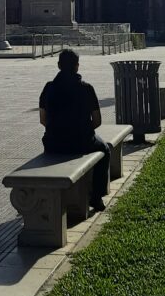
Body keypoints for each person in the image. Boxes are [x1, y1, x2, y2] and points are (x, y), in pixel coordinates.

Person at [38, 49, 111, 212]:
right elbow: (97, 121)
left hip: (53, 143)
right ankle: (97, 197)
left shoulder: (48, 88)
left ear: (58, 66)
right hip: (81, 141)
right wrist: (82, 129)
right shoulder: (86, 88)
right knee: (105, 150)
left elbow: (43, 120)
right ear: (77, 67)